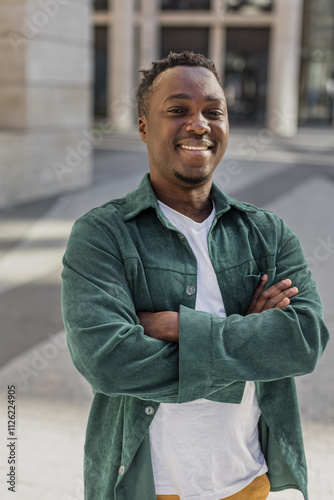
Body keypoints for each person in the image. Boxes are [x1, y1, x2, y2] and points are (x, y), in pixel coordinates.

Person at [61, 51, 329, 500]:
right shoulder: (102, 235)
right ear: (144, 126)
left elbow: (303, 342)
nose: (199, 124)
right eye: (177, 110)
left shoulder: (266, 233)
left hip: (246, 482)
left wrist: (174, 326)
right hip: (147, 486)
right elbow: (107, 362)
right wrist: (251, 337)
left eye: (213, 111)